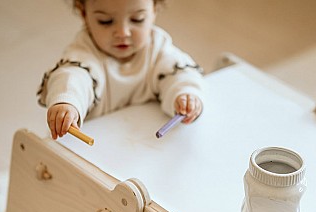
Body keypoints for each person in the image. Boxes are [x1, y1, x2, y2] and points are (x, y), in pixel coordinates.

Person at [37, 0, 205, 140]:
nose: (123, 32)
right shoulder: (84, 54)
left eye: (137, 19)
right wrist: (68, 102)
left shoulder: (157, 47)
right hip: (90, 152)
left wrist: (185, 95)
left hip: (141, 146)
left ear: (154, 10)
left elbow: (179, 73)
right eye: (106, 21)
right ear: (84, 15)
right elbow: (72, 77)